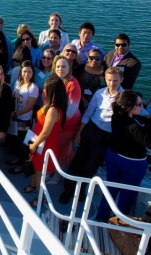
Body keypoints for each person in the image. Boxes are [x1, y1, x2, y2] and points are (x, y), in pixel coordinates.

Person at [59, 67, 123, 204]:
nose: (112, 83)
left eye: (115, 81)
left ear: (121, 80)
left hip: (107, 136)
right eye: (109, 80)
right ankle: (68, 190)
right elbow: (88, 113)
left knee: (91, 166)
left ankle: (81, 189)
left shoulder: (125, 97)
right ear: (105, 80)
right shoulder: (99, 93)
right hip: (91, 130)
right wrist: (79, 133)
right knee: (77, 162)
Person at [96, 91, 151, 222]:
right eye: (139, 104)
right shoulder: (133, 128)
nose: (142, 106)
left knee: (110, 189)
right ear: (129, 107)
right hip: (132, 165)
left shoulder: (117, 115)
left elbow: (140, 120)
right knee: (127, 193)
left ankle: (101, 217)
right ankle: (119, 223)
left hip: (113, 157)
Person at [22, 75, 67, 208]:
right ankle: (32, 185)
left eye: (46, 89)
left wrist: (33, 146)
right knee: (36, 169)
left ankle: (39, 198)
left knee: (40, 174)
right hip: (39, 143)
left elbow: (46, 133)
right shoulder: (50, 105)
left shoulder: (53, 109)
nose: (43, 91)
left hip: (45, 146)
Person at [8, 60, 39, 174]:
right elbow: (12, 97)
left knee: (23, 144)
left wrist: (14, 113)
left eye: (29, 72)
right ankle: (17, 159)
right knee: (16, 141)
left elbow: (29, 107)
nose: (27, 74)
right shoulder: (18, 82)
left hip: (24, 120)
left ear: (33, 73)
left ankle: (21, 165)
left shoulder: (33, 87)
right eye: (25, 71)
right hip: (15, 117)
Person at [52, 55, 81, 173]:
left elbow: (72, 108)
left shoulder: (73, 84)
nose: (60, 69)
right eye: (58, 66)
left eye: (63, 66)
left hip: (67, 122)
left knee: (63, 147)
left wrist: (60, 124)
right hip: (55, 119)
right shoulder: (55, 80)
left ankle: (59, 174)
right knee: (56, 145)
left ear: (69, 67)